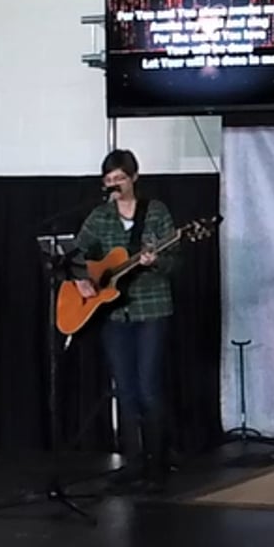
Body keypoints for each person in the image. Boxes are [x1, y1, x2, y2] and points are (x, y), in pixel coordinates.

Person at [76, 149, 179, 481]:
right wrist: (81, 280)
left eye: (120, 178)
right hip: (114, 314)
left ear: (134, 177)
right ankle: (133, 463)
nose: (115, 184)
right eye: (109, 179)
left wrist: (156, 261)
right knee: (125, 389)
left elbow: (175, 262)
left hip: (152, 308)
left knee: (148, 387)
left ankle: (157, 464)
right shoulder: (100, 216)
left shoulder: (156, 212)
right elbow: (75, 253)